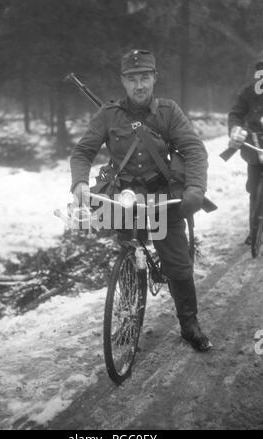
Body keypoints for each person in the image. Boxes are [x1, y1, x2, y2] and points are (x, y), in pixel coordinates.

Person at [70, 49, 212, 352]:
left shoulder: (169, 112)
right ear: (123, 81)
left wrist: (195, 189)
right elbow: (83, 151)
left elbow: (194, 150)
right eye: (132, 79)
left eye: (144, 77)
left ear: (154, 79)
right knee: (128, 250)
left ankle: (189, 324)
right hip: (124, 198)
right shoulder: (108, 114)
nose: (139, 85)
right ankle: (129, 312)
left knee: (177, 264)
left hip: (162, 197)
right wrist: (80, 182)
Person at [228, 53, 263, 244]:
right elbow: (236, 113)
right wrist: (236, 129)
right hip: (255, 147)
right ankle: (254, 231)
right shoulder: (248, 93)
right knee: (253, 188)